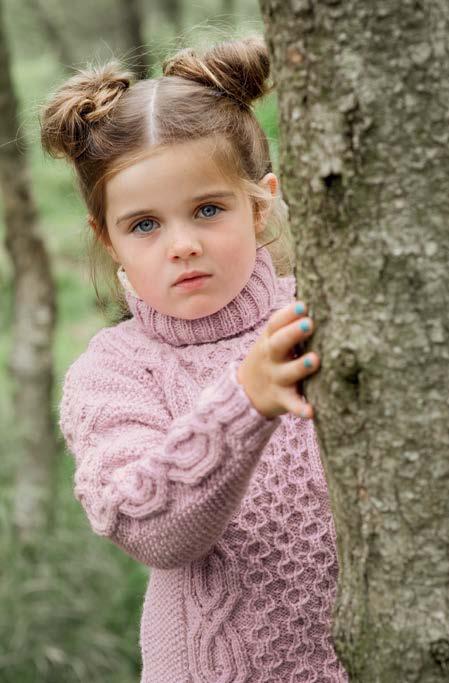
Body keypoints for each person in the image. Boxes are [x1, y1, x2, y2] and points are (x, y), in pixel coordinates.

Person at [40, 34, 348, 683]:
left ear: (260, 203)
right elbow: (145, 525)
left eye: (208, 209)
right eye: (144, 224)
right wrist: (244, 400)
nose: (181, 245)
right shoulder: (112, 372)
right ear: (108, 238)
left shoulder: (327, 315)